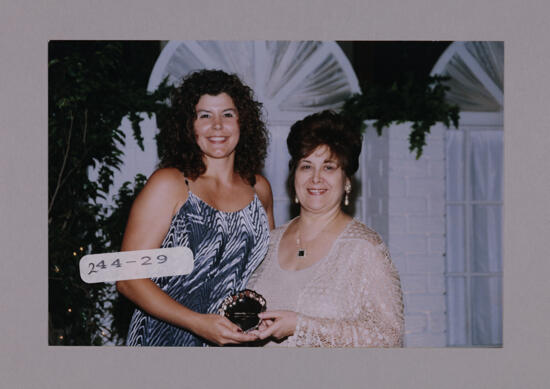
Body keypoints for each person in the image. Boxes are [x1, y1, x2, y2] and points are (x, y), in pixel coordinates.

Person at [116, 69, 275, 346]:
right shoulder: (170, 184)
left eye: (228, 114)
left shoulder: (259, 189)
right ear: (188, 125)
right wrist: (197, 323)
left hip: (236, 342)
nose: (217, 126)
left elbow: (267, 272)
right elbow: (128, 279)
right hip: (164, 339)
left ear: (243, 121)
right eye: (204, 115)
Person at [247, 110, 404, 347]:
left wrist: (302, 326)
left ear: (347, 181)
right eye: (306, 166)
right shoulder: (269, 242)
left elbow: (388, 336)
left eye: (329, 167)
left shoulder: (365, 249)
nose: (316, 178)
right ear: (294, 176)